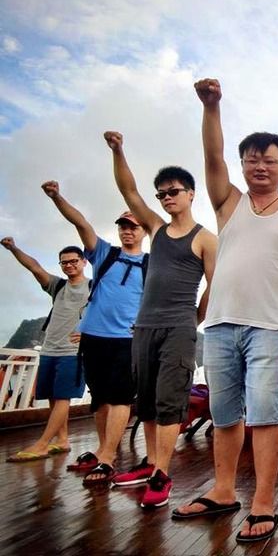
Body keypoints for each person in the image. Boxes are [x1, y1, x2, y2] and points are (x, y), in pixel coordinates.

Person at [172, 77, 278, 544]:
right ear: (243, 165)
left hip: (271, 327)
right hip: (218, 326)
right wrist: (212, 107)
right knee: (225, 413)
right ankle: (223, 489)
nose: (260, 166)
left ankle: (264, 501)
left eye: (269, 160)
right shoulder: (228, 202)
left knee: (266, 412)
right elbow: (211, 159)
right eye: (252, 160)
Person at [101, 131, 217, 509]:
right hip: (144, 327)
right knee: (147, 402)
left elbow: (214, 286)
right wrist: (119, 150)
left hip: (179, 328)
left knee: (169, 402)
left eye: (174, 191)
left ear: (191, 193)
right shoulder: (156, 228)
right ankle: (151, 463)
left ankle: (162, 475)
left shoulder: (205, 239)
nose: (168, 198)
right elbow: (128, 191)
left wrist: (193, 319)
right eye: (162, 194)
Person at [42, 180, 147, 485]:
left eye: (133, 226)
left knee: (121, 399)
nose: (127, 230)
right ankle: (103, 449)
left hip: (127, 340)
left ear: (143, 231)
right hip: (94, 338)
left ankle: (107, 458)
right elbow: (80, 222)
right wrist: (57, 197)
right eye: (123, 226)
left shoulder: (151, 264)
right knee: (100, 399)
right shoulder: (105, 254)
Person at [2, 238, 90, 462]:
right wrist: (13, 248)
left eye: (73, 261)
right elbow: (34, 267)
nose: (69, 265)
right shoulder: (57, 286)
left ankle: (42, 444)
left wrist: (89, 335)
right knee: (52, 395)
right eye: (64, 263)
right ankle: (62, 440)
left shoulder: (93, 288)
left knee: (63, 397)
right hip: (50, 349)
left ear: (84, 262)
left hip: (74, 352)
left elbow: (111, 314)